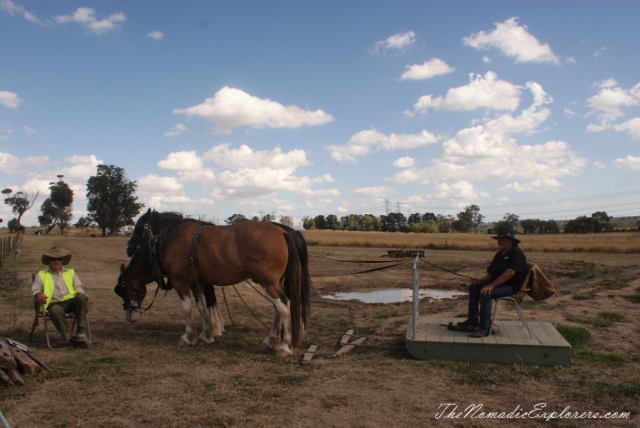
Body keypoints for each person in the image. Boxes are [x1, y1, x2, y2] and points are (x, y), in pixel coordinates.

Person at [457, 227, 527, 338]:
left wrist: (491, 285)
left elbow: (510, 272)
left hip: (512, 286)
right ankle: (472, 320)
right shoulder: (499, 254)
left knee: (486, 293)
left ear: (511, 241)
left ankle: (484, 328)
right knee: (474, 288)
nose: (500, 242)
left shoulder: (516, 253)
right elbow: (493, 273)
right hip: (500, 284)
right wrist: (480, 281)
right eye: (499, 239)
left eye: (503, 240)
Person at [31, 246, 90, 347]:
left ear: (62, 260)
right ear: (49, 260)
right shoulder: (41, 274)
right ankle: (71, 340)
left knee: (82, 297)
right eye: (53, 259)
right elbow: (35, 290)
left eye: (59, 259)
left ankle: (81, 331)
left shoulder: (70, 273)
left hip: (71, 301)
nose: (56, 261)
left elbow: (78, 287)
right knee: (54, 311)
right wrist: (38, 294)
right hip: (54, 304)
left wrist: (80, 292)